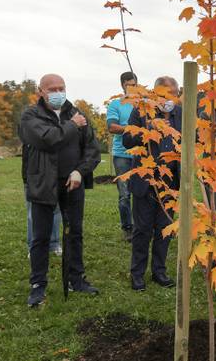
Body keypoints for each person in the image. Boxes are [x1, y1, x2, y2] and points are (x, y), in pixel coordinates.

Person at [19, 74, 101, 307]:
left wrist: (80, 172)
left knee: (75, 232)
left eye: (61, 88)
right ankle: (38, 285)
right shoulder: (30, 116)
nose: (58, 92)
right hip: (43, 182)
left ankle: (76, 279)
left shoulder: (76, 113)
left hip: (72, 182)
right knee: (41, 236)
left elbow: (92, 150)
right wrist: (73, 125)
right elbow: (47, 139)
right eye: (52, 89)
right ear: (40, 91)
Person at [123, 76, 181, 290]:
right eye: (166, 94)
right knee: (142, 229)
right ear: (156, 94)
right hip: (145, 181)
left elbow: (190, 139)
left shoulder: (180, 113)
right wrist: (149, 131)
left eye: (174, 94)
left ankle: (159, 271)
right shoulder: (141, 111)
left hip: (170, 182)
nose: (170, 98)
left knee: (164, 229)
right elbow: (127, 140)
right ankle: (137, 273)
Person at [106, 71, 138, 241]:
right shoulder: (115, 104)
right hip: (121, 155)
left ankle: (141, 226)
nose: (132, 87)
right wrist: (132, 129)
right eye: (129, 85)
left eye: (134, 84)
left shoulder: (143, 104)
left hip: (141, 154)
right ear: (123, 85)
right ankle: (128, 228)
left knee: (142, 192)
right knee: (125, 194)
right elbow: (112, 127)